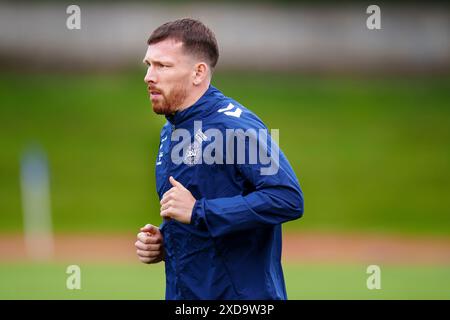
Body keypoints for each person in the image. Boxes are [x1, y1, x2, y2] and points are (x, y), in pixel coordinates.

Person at [135, 18, 304, 300]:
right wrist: (167, 242)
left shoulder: (234, 128)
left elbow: (287, 198)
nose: (149, 76)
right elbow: (204, 206)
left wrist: (199, 211)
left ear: (198, 72)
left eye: (162, 66)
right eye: (148, 65)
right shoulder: (172, 129)